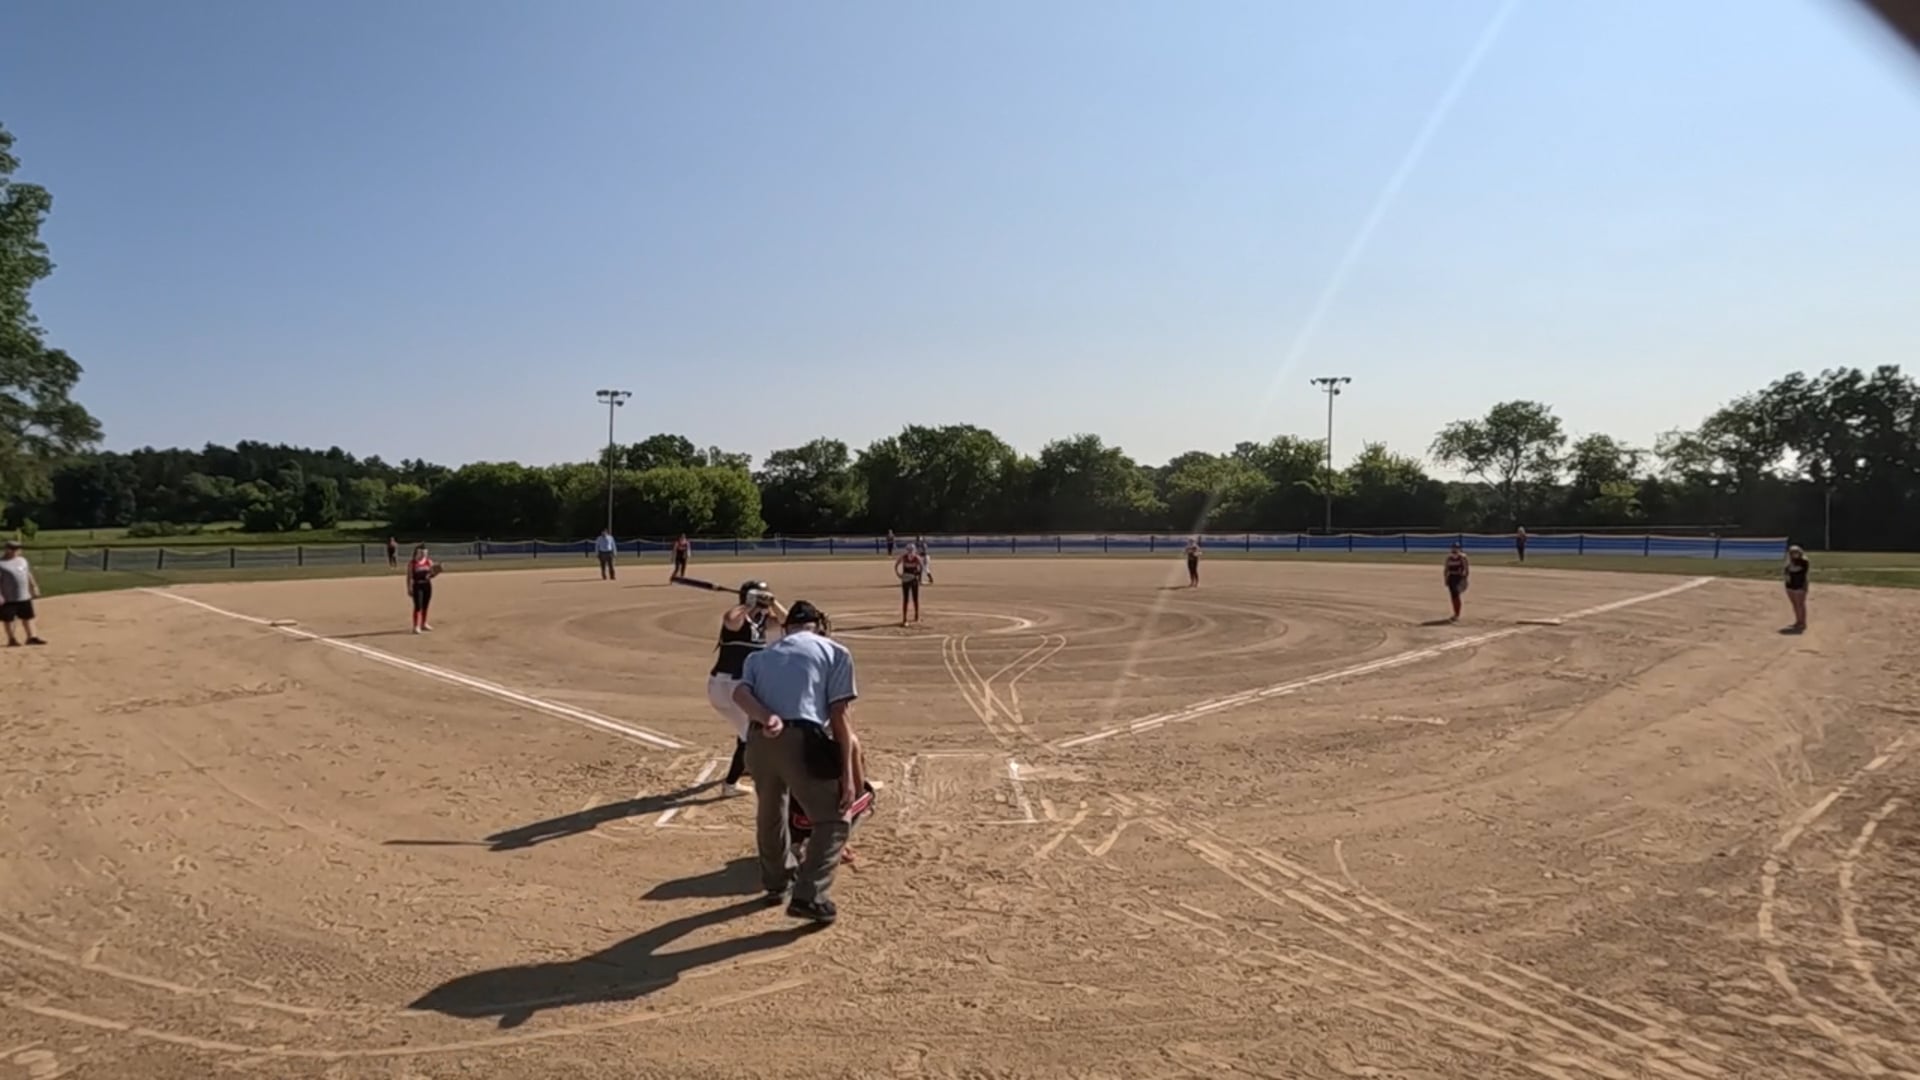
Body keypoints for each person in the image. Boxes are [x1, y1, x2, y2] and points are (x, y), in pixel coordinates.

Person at [731, 600, 863, 925]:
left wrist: (766, 717)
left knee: (771, 812)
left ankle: (777, 883)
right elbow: (840, 716)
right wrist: (847, 775)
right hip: (801, 740)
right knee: (834, 820)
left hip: (759, 741)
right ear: (817, 626)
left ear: (786, 627)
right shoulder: (835, 651)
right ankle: (809, 895)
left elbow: (740, 694)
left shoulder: (760, 656)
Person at [708, 580, 786, 796]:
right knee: (749, 734)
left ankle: (745, 763)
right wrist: (748, 604)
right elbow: (730, 619)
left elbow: (787, 621)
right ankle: (730, 785)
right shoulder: (739, 620)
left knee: (745, 727)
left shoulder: (762, 620)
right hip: (727, 687)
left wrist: (773, 602)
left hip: (736, 687)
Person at [1, 541, 46, 647]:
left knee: (28, 617)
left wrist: (34, 586)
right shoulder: (1, 563)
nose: (15, 551)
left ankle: (32, 637)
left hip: (24, 596)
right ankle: (12, 639)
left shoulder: (22, 560)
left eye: (17, 549)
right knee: (9, 619)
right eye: (12, 549)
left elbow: (28, 574)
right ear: (7, 549)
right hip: (9, 597)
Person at [407, 544, 442, 633]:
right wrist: (409, 588)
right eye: (421, 552)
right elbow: (409, 577)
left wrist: (436, 572)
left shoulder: (429, 562)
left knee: (425, 605)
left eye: (425, 552)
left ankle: (424, 623)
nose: (423, 554)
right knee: (418, 606)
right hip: (417, 586)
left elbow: (431, 575)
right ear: (417, 552)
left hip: (427, 585)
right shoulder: (412, 563)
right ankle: (416, 626)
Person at [893, 542, 925, 626]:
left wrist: (899, 574)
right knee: (909, 599)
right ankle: (907, 618)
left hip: (911, 580)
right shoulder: (906, 557)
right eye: (909, 550)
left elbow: (921, 567)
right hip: (908, 580)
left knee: (912, 599)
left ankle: (913, 617)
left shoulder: (914, 557)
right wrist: (898, 574)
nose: (910, 552)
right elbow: (921, 568)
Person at [1784, 544, 1811, 632]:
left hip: (1800, 585)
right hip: (1790, 585)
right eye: (1792, 552)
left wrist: (1789, 564)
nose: (1794, 554)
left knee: (1800, 604)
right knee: (1795, 604)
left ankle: (1802, 622)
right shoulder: (1789, 562)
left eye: (1796, 552)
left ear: (1800, 552)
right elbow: (1786, 573)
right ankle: (1798, 621)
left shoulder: (1804, 561)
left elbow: (1795, 570)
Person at [1443, 543, 1470, 622]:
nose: (1454, 549)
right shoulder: (1449, 558)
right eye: (1453, 548)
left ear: (1459, 549)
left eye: (1456, 548)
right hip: (1451, 577)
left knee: (1456, 595)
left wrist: (1465, 578)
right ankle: (1456, 613)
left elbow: (1466, 569)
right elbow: (1446, 569)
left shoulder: (1462, 557)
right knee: (1453, 596)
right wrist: (1446, 579)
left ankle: (1457, 614)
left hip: (1459, 578)